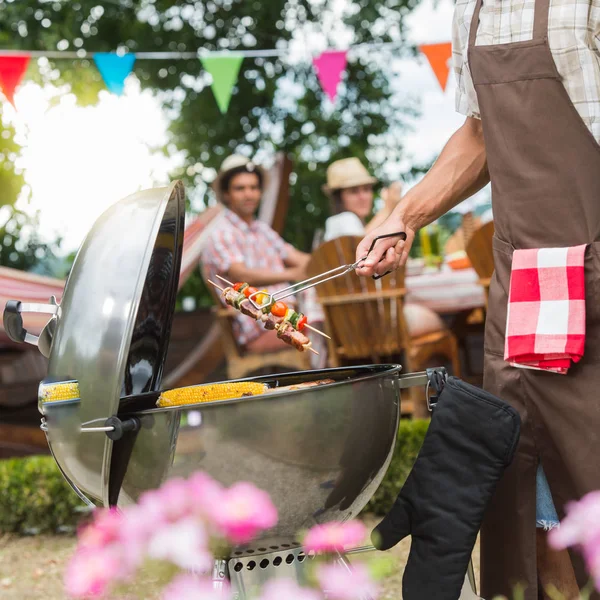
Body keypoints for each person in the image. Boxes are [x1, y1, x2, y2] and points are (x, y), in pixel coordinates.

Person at [354, 0, 600, 597]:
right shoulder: (473, 10)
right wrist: (403, 215)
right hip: (528, 285)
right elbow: (480, 133)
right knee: (527, 482)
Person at [202, 155, 310, 353]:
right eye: (240, 188)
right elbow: (241, 275)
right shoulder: (221, 232)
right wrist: (291, 274)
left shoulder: (262, 230)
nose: (249, 194)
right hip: (257, 325)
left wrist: (335, 259)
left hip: (289, 313)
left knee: (336, 318)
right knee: (331, 327)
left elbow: (298, 258)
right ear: (226, 194)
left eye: (253, 187)